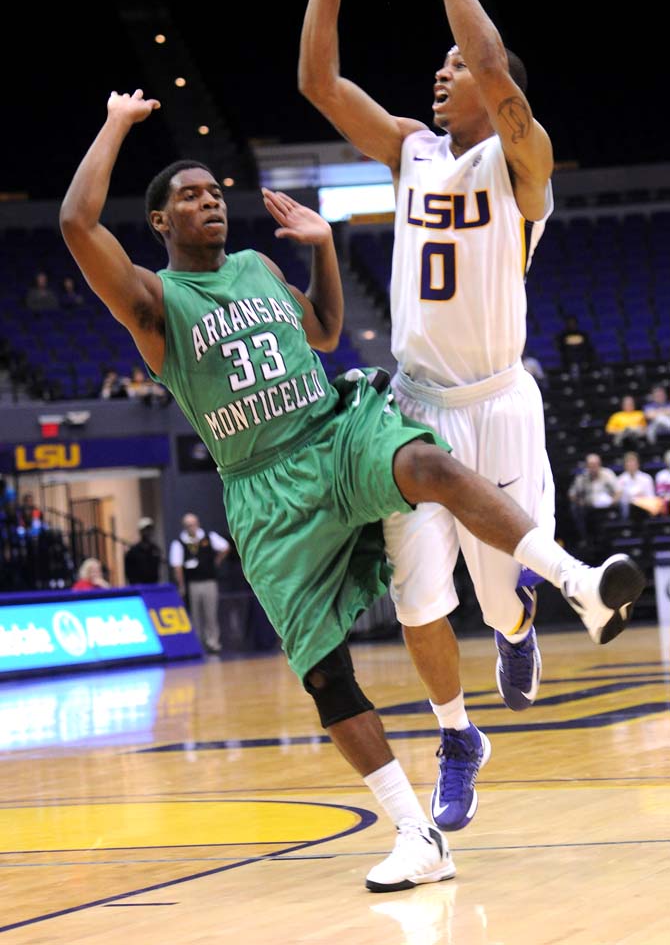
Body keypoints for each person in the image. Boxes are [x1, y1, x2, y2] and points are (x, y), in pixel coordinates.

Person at [59, 86, 643, 894]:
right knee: (326, 674)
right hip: (265, 490)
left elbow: (327, 333)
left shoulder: (260, 267)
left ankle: (577, 581)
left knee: (427, 465)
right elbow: (76, 227)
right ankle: (417, 830)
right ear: (160, 221)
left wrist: (324, 247)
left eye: (215, 192)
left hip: (330, 433)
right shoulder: (155, 302)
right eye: (190, 197)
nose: (210, 203)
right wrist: (116, 123)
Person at [298, 0, 559, 831]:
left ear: (500, 96)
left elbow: (493, 64)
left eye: (459, 66)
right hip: (412, 409)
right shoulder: (408, 147)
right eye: (441, 64)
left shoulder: (521, 166)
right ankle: (457, 736)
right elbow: (318, 85)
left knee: (499, 595)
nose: (442, 72)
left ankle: (519, 621)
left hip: (498, 404)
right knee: (414, 598)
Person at [168, 512, 230, 652]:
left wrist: (216, 562)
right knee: (195, 615)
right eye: (188, 525)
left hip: (209, 581)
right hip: (192, 583)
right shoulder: (179, 542)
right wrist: (182, 585)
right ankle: (197, 643)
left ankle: (213, 642)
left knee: (211, 613)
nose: (192, 528)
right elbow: (177, 566)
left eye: (193, 524)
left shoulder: (208, 537)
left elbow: (225, 547)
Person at [568, 453, 619, 555]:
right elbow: (572, 495)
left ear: (599, 464)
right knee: (575, 509)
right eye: (590, 465)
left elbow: (618, 492)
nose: (593, 468)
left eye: (595, 465)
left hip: (606, 508)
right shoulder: (582, 477)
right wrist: (580, 502)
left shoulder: (608, 474)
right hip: (589, 508)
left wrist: (612, 502)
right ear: (587, 466)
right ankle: (585, 538)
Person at [616, 450, 655, 521]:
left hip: (644, 509)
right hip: (628, 510)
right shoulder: (620, 479)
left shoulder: (646, 478)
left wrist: (639, 499)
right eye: (628, 462)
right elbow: (622, 500)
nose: (631, 464)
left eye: (633, 462)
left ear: (638, 464)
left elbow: (651, 496)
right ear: (625, 465)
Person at [124, 516, 163, 585]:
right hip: (138, 587)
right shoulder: (133, 551)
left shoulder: (156, 549)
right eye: (145, 530)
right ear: (141, 531)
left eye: (150, 529)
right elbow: (129, 572)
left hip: (153, 586)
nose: (148, 532)